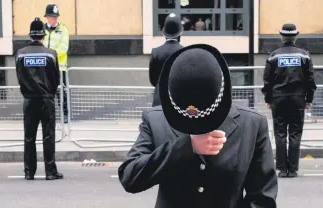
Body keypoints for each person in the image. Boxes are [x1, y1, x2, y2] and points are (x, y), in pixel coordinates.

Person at [118, 44, 278, 208]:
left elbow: (262, 198)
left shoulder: (251, 124)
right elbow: (130, 177)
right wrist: (186, 147)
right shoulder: (155, 120)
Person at [262, 23, 317, 178]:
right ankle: (292, 169)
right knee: (295, 133)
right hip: (298, 99)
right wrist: (309, 99)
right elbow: (310, 80)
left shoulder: (273, 55)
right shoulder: (304, 55)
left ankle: (281, 168)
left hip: (278, 99)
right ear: (296, 36)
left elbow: (267, 80)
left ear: (281, 36)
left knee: (280, 133)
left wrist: (268, 98)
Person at [15, 17, 64, 180]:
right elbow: (55, 79)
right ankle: (50, 171)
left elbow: (20, 78)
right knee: (48, 135)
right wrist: (49, 93)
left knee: (29, 136)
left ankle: (29, 172)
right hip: (46, 98)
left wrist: (28, 92)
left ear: (30, 35)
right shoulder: (51, 54)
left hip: (29, 100)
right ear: (43, 36)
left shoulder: (20, 54)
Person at [149, 13, 183, 107]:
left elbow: (153, 80)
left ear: (164, 33)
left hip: (159, 99)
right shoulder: (184, 52)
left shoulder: (156, 52)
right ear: (180, 33)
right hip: (178, 99)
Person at [43, 3, 70, 122]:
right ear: (47, 17)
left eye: (56, 16)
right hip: (43, 67)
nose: (55, 18)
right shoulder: (41, 29)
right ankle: (46, 114)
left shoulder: (63, 29)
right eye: (53, 16)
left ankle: (65, 114)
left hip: (59, 67)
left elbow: (64, 47)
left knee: (61, 92)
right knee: (44, 91)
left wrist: (50, 56)